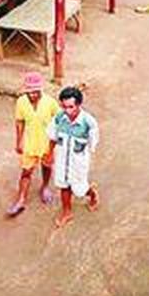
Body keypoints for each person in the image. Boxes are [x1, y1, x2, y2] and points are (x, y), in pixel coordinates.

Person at [46, 85, 100, 228]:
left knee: (80, 189)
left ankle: (92, 193)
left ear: (79, 105)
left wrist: (84, 158)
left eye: (71, 107)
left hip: (78, 161)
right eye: (64, 107)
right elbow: (52, 137)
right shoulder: (58, 118)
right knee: (63, 185)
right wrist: (49, 154)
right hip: (62, 159)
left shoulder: (89, 123)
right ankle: (67, 212)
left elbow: (91, 146)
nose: (67, 111)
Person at [8, 72, 58, 217]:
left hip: (47, 143)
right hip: (30, 143)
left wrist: (55, 144)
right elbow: (19, 121)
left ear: (40, 89)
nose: (33, 95)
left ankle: (45, 187)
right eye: (29, 92)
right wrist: (18, 141)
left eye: (36, 91)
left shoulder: (50, 102)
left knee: (46, 166)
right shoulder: (21, 102)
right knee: (26, 172)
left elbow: (59, 121)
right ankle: (21, 200)